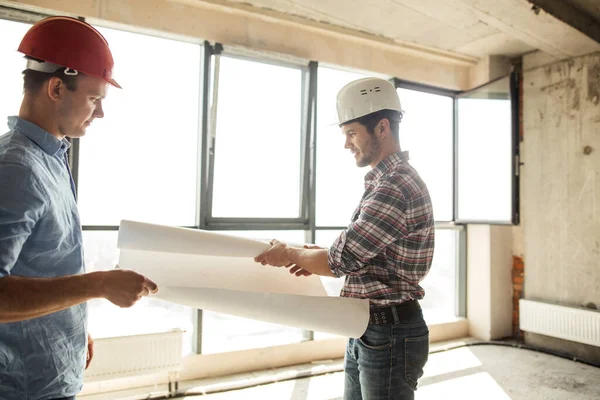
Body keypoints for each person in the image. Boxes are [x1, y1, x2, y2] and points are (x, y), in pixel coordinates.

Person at [0, 16, 158, 400]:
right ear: (56, 87)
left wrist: (73, 324)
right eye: (94, 98)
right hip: (23, 387)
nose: (99, 113)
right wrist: (99, 285)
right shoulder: (17, 168)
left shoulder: (50, 157)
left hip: (49, 372)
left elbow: (44, 261)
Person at [255, 77, 434, 399]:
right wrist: (316, 254)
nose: (346, 144)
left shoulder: (393, 186)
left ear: (381, 128)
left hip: (388, 331)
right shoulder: (386, 181)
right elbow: (367, 254)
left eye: (352, 133)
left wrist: (291, 254)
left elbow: (341, 261)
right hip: (369, 326)